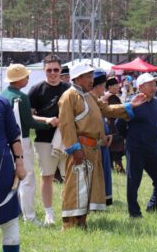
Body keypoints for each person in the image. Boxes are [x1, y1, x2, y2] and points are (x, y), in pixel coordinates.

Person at [58, 64, 145, 229]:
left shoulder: (89, 96)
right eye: (87, 76)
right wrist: (74, 149)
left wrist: (130, 105)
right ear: (77, 78)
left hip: (93, 149)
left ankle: (81, 223)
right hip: (80, 148)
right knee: (75, 186)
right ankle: (69, 225)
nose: (91, 80)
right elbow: (66, 125)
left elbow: (107, 109)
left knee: (87, 187)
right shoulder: (69, 97)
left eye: (92, 76)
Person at [1, 64, 58, 227]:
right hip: (21, 141)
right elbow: (29, 122)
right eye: (26, 76)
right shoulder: (22, 97)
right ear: (19, 79)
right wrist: (49, 123)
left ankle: (11, 214)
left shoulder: (2, 95)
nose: (28, 78)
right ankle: (30, 218)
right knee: (27, 180)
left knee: (9, 180)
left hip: (4, 142)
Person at [116, 73, 157, 217]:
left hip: (154, 148)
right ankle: (134, 213)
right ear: (140, 87)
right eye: (150, 84)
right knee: (134, 181)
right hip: (136, 149)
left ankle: (153, 207)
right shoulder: (131, 103)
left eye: (154, 84)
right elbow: (119, 124)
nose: (154, 87)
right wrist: (129, 138)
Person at [27, 54, 70, 226]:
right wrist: (47, 120)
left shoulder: (69, 89)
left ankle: (69, 210)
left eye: (56, 70)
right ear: (44, 70)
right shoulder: (36, 90)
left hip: (66, 139)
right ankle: (49, 214)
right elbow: (29, 117)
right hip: (44, 139)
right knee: (47, 176)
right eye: (49, 70)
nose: (53, 73)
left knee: (70, 177)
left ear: (61, 70)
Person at [0, 93, 26, 252]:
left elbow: (14, 136)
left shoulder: (1, 103)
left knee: (9, 218)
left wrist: (20, 164)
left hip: (1, 169)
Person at [89, 71, 114, 206]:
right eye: (103, 86)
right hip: (93, 146)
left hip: (102, 143)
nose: (104, 89)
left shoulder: (97, 101)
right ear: (97, 86)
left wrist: (107, 135)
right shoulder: (88, 100)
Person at [104, 77, 125, 174]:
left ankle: (112, 168)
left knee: (111, 149)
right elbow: (117, 111)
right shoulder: (112, 97)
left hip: (108, 125)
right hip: (113, 125)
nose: (118, 87)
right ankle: (119, 169)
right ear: (109, 87)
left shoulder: (105, 96)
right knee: (116, 149)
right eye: (116, 85)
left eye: (118, 85)